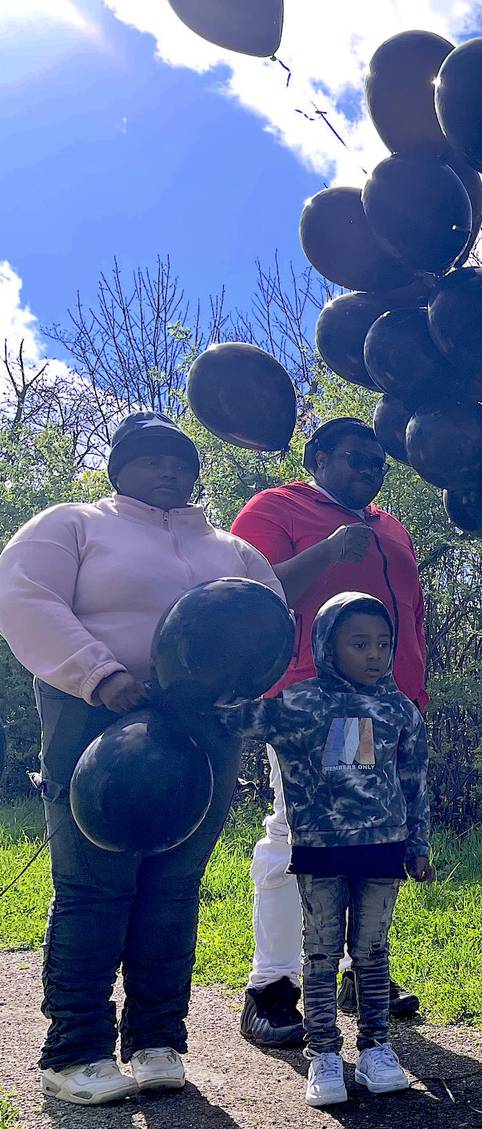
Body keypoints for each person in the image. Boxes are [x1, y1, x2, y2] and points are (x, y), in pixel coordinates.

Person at [0, 412, 285, 1105]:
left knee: (174, 884)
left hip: (200, 732)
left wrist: (241, 696)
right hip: (96, 714)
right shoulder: (72, 523)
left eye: (181, 459)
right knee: (95, 882)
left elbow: (270, 625)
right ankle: (76, 1049)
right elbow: (21, 595)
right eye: (151, 457)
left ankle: (159, 1039)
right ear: (118, 466)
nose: (169, 469)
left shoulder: (233, 549)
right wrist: (101, 671)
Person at [230, 418, 428, 1047]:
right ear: (316, 458)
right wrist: (326, 552)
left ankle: (357, 970)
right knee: (298, 836)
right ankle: (272, 988)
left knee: (369, 830)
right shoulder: (276, 508)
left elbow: (413, 615)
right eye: (355, 459)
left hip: (385, 710)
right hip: (311, 706)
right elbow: (246, 598)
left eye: (379, 465)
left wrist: (412, 695)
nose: (369, 472)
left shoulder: (390, 525)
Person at [221, 592, 432, 1107]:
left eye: (383, 644)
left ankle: (377, 1048)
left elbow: (414, 782)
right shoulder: (299, 705)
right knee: (319, 954)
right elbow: (233, 718)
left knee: (372, 954)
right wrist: (196, 676)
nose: (374, 655)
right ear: (327, 645)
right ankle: (324, 1055)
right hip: (320, 851)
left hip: (382, 850)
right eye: (358, 643)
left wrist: (418, 844)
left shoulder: (399, 709)